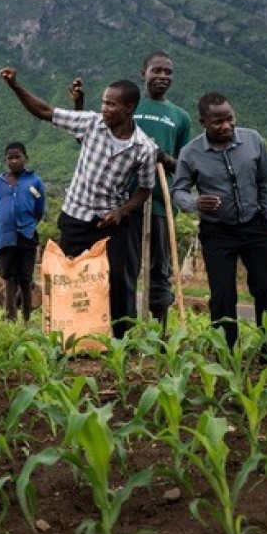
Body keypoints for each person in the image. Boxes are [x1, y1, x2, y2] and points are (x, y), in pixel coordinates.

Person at [0, 67, 155, 339]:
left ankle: (120, 339)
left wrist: (121, 211)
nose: (104, 108)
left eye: (111, 104)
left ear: (128, 109)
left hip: (109, 223)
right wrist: (15, 85)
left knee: (117, 278)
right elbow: (45, 111)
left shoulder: (144, 148)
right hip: (75, 216)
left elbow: (144, 190)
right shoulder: (92, 124)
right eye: (104, 102)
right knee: (68, 277)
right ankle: (67, 336)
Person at [72, 52, 192, 328]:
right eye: (157, 71)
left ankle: (160, 335)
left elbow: (184, 167)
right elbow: (91, 143)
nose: (163, 76)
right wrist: (78, 105)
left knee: (159, 271)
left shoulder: (180, 117)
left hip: (160, 203)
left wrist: (164, 158)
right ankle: (119, 330)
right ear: (144, 73)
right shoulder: (127, 107)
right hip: (120, 204)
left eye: (168, 72)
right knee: (121, 269)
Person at [172, 92, 267, 349]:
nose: (226, 126)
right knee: (222, 295)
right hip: (217, 232)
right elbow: (179, 191)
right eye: (218, 122)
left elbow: (266, 179)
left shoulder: (253, 140)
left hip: (256, 226)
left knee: (266, 288)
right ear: (204, 122)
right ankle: (227, 353)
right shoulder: (191, 152)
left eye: (230, 119)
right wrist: (195, 203)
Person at [0, 142, 46, 323]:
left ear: (25, 158)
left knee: (26, 278)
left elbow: (39, 209)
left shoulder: (35, 181)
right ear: (5, 160)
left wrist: (28, 224)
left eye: (18, 157)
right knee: (9, 277)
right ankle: (10, 315)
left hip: (26, 235)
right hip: (5, 237)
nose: (14, 161)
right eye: (10, 158)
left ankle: (27, 316)